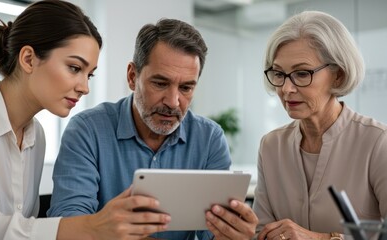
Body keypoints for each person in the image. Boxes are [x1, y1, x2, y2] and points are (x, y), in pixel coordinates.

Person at [48, 18, 258, 240]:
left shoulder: (209, 139)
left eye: (186, 88)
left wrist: (231, 234)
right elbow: (70, 222)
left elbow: (211, 234)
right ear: (132, 76)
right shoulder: (87, 130)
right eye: (160, 83)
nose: (173, 102)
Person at [0, 0, 129, 239]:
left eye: (90, 75)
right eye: (75, 68)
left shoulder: (36, 135)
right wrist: (90, 227)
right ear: (29, 59)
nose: (85, 87)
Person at [253, 10, 387, 240]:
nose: (286, 89)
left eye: (302, 73)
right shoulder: (270, 146)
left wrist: (322, 238)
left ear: (339, 75)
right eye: (278, 74)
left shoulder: (377, 143)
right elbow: (260, 233)